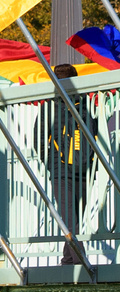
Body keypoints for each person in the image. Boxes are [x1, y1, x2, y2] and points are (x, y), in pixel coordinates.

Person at [40, 63, 96, 265]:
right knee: (72, 217)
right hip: (84, 170)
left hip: (62, 170)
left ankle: (68, 260)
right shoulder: (86, 104)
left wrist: (51, 163)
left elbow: (39, 139)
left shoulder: (49, 106)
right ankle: (79, 259)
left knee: (69, 217)